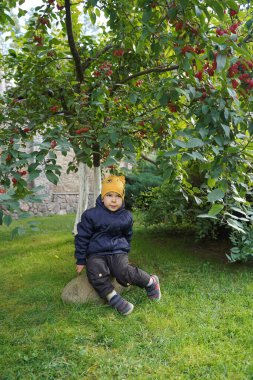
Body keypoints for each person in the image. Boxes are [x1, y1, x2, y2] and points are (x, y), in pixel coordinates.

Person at [74, 175, 161, 316]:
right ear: (102, 197)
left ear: (122, 198)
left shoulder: (126, 216)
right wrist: (81, 259)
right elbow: (82, 237)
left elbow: (128, 235)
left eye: (118, 196)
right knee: (95, 272)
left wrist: (124, 249)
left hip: (117, 251)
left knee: (123, 272)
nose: (113, 200)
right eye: (109, 195)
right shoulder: (91, 215)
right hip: (96, 253)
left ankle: (150, 282)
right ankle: (113, 298)